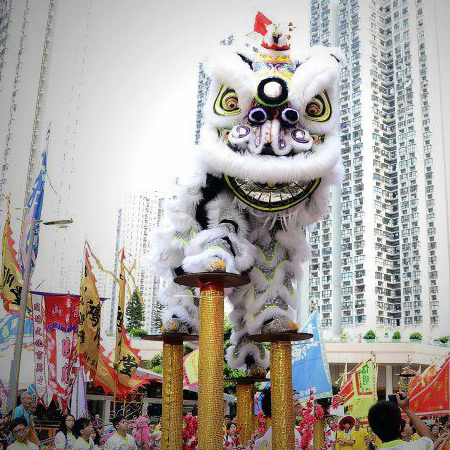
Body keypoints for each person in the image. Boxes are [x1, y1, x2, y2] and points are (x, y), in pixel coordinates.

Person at [368, 392, 434, 449]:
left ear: (374, 431)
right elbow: (429, 437)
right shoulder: (416, 447)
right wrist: (407, 408)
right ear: (400, 426)